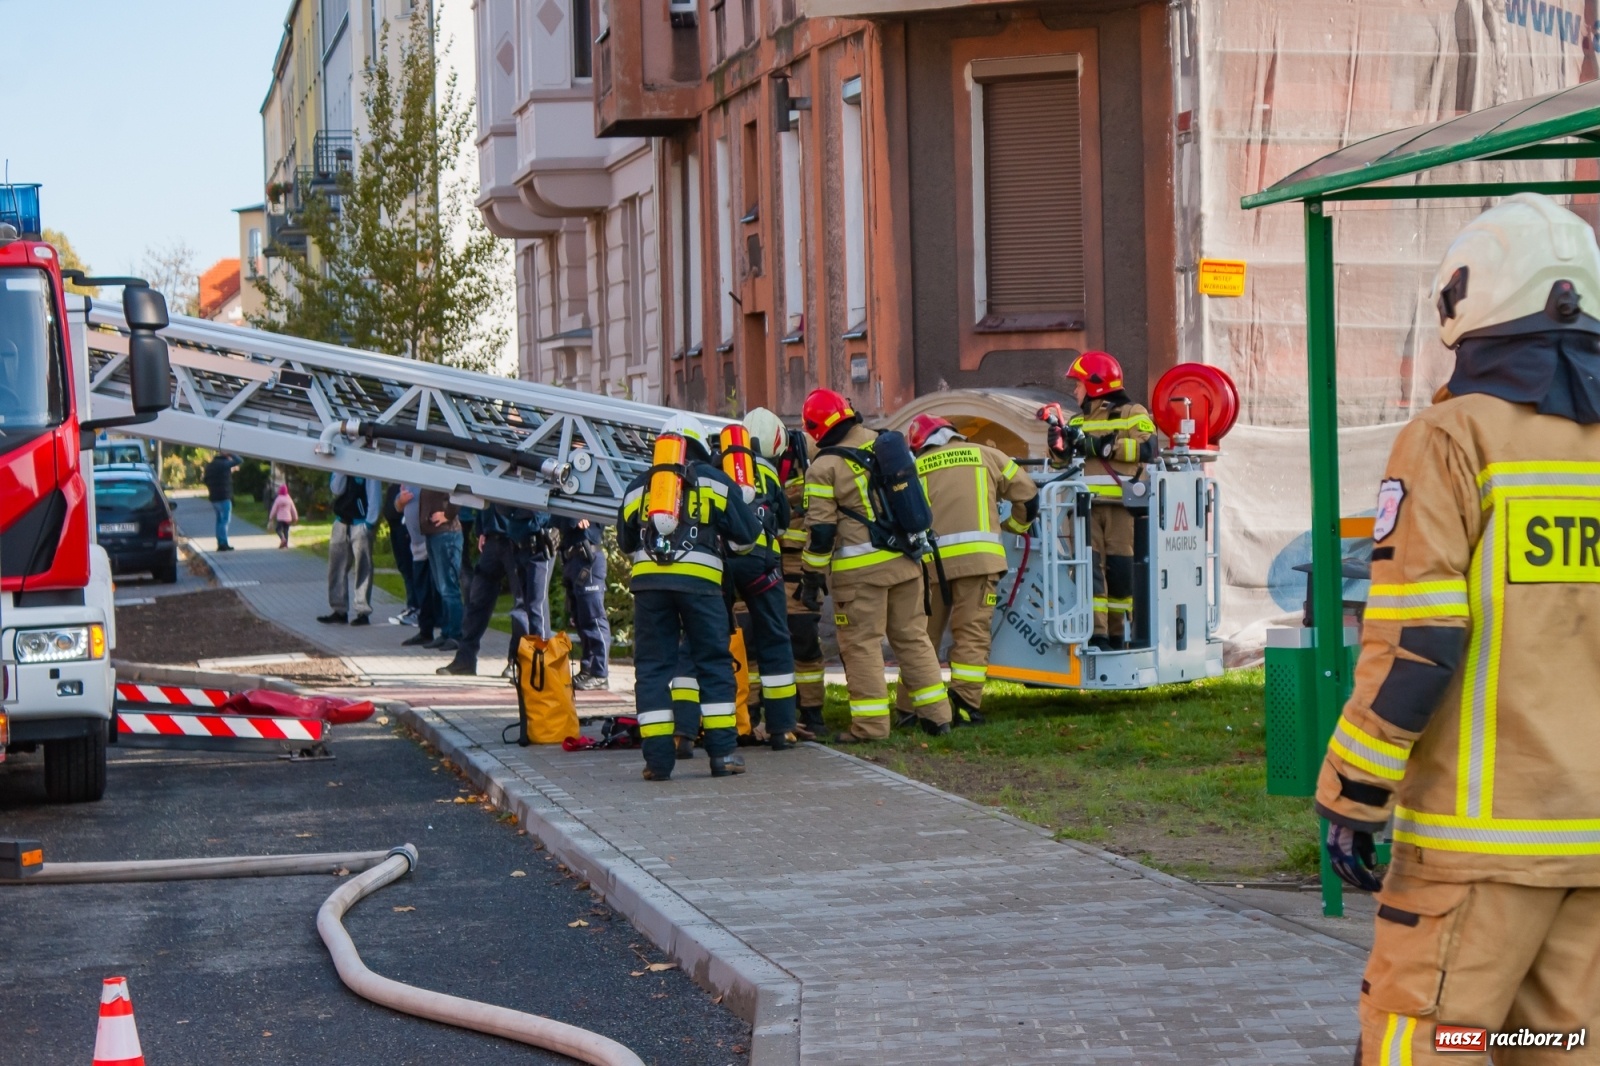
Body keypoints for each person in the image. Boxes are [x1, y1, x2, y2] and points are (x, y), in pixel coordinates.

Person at [1314, 193, 1600, 1063]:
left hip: (1473, 851)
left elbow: (1421, 639)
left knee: (1436, 1042)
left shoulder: (1451, 438)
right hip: (1589, 848)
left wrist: (1353, 794)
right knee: (1560, 1044)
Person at [799, 388, 952, 741]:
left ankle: (870, 727)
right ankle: (938, 718)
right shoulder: (886, 444)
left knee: (861, 644)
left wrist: (811, 576)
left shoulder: (823, 468)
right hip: (907, 562)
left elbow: (821, 533)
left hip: (860, 575)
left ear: (815, 428)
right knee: (913, 639)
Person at [618, 413, 761, 781]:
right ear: (701, 446)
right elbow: (748, 534)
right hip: (702, 587)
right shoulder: (715, 480)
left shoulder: (640, 485)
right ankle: (723, 755)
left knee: (652, 669)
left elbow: (625, 541)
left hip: (649, 587)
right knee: (713, 663)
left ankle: (657, 763)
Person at [897, 413, 1038, 727]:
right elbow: (1028, 496)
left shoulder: (915, 468)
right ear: (953, 434)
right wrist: (1014, 527)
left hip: (930, 568)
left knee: (920, 638)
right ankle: (964, 706)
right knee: (971, 635)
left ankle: (909, 709)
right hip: (978, 564)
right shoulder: (986, 455)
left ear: (919, 445)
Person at [1045, 351, 1155, 650]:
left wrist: (1103, 446)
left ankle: (1119, 636)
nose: (1074, 391)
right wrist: (1057, 448)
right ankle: (1097, 635)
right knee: (1089, 572)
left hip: (1122, 509)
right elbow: (1062, 466)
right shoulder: (1077, 421)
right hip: (1085, 509)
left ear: (1095, 385)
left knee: (1120, 573)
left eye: (1078, 384)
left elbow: (1147, 448)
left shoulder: (1133, 413)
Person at [726, 408, 798, 749]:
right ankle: (781, 729)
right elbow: (782, 524)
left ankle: (704, 726)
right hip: (762, 568)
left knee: (711, 639)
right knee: (775, 640)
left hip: (722, 566)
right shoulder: (770, 475)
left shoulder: (721, 467)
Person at [438, 502, 550, 677]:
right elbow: (486, 497)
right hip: (493, 536)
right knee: (477, 600)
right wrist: (482, 528)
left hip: (518, 537)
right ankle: (465, 659)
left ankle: (517, 661)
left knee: (521, 605)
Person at [772, 423, 826, 739]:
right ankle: (807, 714)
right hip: (788, 578)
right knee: (801, 650)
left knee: (802, 647)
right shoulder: (809, 479)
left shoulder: (809, 477)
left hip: (791, 577)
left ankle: (809, 713)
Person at [552, 514, 611, 690]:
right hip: (573, 561)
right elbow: (556, 518)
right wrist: (572, 518)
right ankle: (588, 669)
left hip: (588, 559)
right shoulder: (566, 505)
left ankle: (600, 674)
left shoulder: (588, 505)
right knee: (581, 619)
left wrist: (579, 514)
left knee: (594, 619)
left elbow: (600, 513)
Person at [319, 472, 382, 626]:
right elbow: (336, 489)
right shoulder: (341, 466)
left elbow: (374, 494)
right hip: (341, 521)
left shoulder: (369, 467)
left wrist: (369, 523)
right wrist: (341, 471)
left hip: (360, 522)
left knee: (363, 569)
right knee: (336, 568)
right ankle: (339, 610)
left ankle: (363, 611)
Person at [419, 487, 464, 651]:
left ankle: (456, 635)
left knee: (449, 589)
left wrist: (448, 515)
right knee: (441, 588)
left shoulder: (446, 472)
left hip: (446, 534)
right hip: (434, 534)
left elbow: (459, 491)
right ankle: (446, 633)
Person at [396, 485, 441, 647]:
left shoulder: (428, 478)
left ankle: (449, 632)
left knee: (439, 589)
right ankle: (425, 631)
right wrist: (401, 501)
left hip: (432, 539)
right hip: (416, 545)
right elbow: (397, 505)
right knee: (422, 590)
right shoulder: (409, 479)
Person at [383, 482, 419, 625]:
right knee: (405, 568)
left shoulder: (411, 484)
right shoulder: (395, 485)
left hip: (406, 530)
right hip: (396, 529)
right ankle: (412, 606)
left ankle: (416, 608)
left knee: (411, 570)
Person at [203, 451, 241, 551]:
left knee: (219, 521)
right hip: (224, 496)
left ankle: (220, 542)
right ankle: (223, 543)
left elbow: (205, 480)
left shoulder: (210, 466)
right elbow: (239, 460)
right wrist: (230, 453)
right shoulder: (224, 464)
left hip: (214, 497)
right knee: (224, 521)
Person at [267, 482, 298, 549]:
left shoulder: (278, 499)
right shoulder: (289, 499)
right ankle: (286, 545)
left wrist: (271, 517)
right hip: (288, 518)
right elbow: (293, 509)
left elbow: (274, 509)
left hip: (280, 518)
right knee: (286, 531)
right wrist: (295, 517)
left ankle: (282, 538)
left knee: (278, 529)